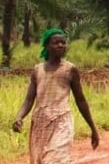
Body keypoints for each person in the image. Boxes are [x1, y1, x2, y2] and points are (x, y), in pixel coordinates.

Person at [13, 28, 99, 163]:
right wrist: (19, 117)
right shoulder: (37, 70)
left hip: (61, 122)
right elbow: (29, 100)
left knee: (55, 160)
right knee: (39, 160)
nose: (60, 45)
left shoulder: (70, 70)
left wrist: (93, 128)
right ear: (47, 46)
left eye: (63, 42)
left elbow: (81, 100)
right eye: (56, 42)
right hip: (40, 124)